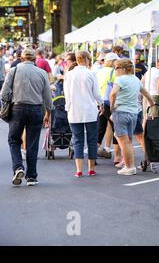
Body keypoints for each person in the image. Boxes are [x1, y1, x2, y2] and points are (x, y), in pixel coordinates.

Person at [1, 48, 52, 186]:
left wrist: (10, 98)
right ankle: (31, 177)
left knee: (14, 140)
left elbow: (4, 94)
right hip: (36, 109)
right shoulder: (42, 73)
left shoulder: (14, 71)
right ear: (34, 60)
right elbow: (48, 96)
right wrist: (48, 112)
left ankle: (18, 167)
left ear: (21, 59)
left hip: (17, 108)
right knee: (32, 143)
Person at [110, 58, 154, 176]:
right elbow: (146, 94)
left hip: (121, 112)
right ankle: (130, 165)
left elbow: (113, 93)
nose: (115, 71)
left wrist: (111, 107)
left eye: (116, 68)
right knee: (128, 140)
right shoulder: (136, 79)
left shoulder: (120, 79)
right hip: (133, 113)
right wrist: (152, 104)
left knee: (124, 141)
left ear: (123, 69)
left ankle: (129, 167)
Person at [64, 51, 103, 178]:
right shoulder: (91, 74)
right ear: (86, 59)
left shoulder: (69, 75)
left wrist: (67, 107)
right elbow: (96, 93)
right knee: (92, 140)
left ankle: (79, 170)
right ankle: (91, 169)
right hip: (90, 111)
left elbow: (67, 95)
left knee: (77, 140)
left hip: (74, 111)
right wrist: (101, 103)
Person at [96, 52, 120, 161]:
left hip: (99, 103)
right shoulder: (114, 72)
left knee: (100, 129)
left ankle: (93, 155)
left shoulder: (99, 71)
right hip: (110, 102)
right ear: (113, 61)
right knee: (116, 128)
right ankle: (117, 157)